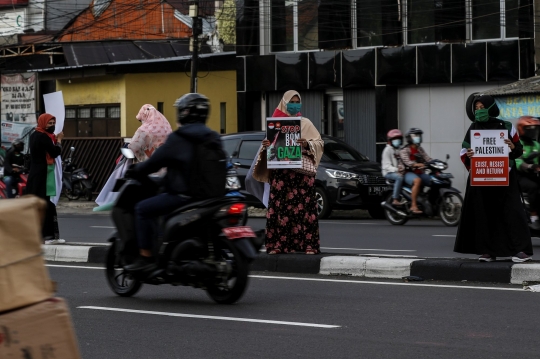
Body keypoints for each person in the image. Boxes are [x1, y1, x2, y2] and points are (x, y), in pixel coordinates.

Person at [125, 93, 223, 272]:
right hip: (210, 197)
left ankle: (146, 258)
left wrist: (137, 170)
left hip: (183, 196)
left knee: (142, 209)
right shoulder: (213, 137)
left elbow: (155, 161)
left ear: (184, 113)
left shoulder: (179, 138)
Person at [454, 95, 533, 262]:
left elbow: (518, 150)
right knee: (484, 213)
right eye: (477, 108)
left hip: (505, 177)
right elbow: (464, 152)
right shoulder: (473, 128)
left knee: (512, 212)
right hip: (481, 177)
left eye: (483, 107)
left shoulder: (507, 126)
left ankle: (519, 250)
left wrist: (512, 147)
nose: (480, 111)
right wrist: (470, 155)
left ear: (491, 108)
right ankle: (487, 251)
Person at [252, 90, 324, 255]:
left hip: (301, 176)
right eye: (291, 101)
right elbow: (271, 150)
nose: (294, 105)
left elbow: (319, 143)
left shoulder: (305, 123)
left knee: (304, 209)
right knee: (280, 209)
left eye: (297, 101)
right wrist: (266, 145)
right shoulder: (275, 124)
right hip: (281, 176)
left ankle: (309, 245)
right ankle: (278, 245)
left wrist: (306, 144)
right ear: (284, 103)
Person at [95, 104, 172, 207]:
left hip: (147, 170)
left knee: (141, 207)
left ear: (145, 117)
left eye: (141, 120)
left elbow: (132, 148)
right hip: (166, 172)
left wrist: (128, 147)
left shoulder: (143, 130)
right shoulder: (166, 128)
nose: (141, 122)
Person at [26, 113, 65, 244]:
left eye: (53, 123)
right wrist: (59, 140)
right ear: (43, 123)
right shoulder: (43, 137)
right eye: (50, 123)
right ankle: (48, 236)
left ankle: (41, 235)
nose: (52, 126)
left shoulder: (34, 135)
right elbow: (54, 152)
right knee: (46, 204)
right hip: (42, 174)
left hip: (35, 174)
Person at [515, 116, 540, 230]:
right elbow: (518, 161)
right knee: (533, 187)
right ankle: (534, 218)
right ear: (522, 129)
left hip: (534, 174)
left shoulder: (536, 144)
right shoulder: (518, 143)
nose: (533, 131)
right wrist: (530, 166)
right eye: (530, 129)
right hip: (520, 176)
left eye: (534, 129)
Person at [399, 128, 432, 214]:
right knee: (418, 181)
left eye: (419, 136)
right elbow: (407, 162)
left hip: (419, 173)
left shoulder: (420, 149)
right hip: (407, 173)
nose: (418, 137)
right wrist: (417, 164)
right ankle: (413, 205)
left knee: (432, 180)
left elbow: (427, 159)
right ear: (409, 138)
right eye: (415, 136)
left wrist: (436, 163)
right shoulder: (404, 150)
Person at [382, 129, 404, 207]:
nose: (397, 141)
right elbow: (387, 166)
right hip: (388, 172)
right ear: (390, 140)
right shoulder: (387, 150)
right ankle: (395, 199)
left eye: (398, 139)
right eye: (395, 139)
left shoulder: (399, 149)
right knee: (399, 178)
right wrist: (397, 170)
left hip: (398, 170)